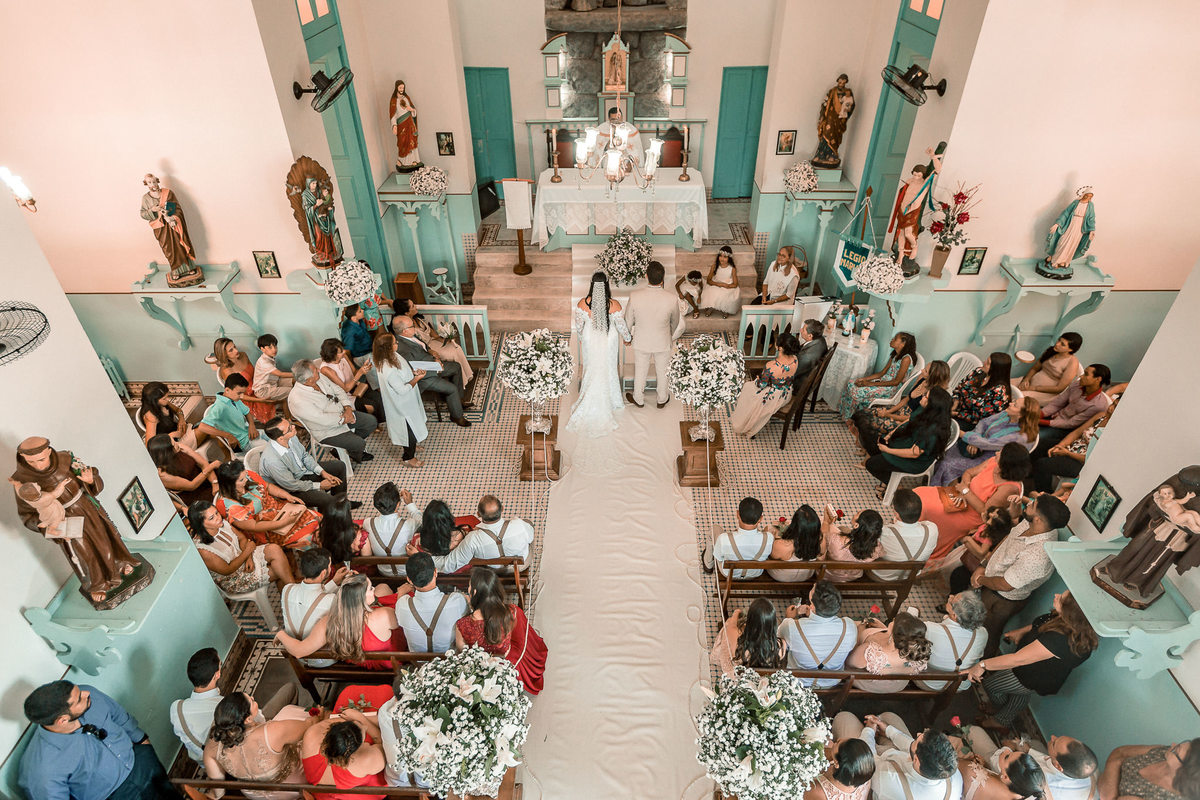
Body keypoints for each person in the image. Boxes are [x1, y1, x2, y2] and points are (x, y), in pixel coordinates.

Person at [12, 437, 142, 605]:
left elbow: (91, 474)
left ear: (49, 452)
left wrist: (90, 480)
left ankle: (119, 564)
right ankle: (97, 584)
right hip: (63, 520)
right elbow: (26, 515)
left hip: (86, 507)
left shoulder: (67, 459)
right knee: (83, 553)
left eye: (41, 459)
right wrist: (47, 526)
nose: (37, 465)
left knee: (105, 539)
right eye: (31, 461)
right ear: (23, 457)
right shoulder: (22, 482)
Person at [952, 495, 1071, 658]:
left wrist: (980, 579)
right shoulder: (1031, 523)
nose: (1028, 503)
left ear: (1038, 519)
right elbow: (1008, 539)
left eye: (1033, 504)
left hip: (1002, 598)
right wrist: (984, 565)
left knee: (987, 633)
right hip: (990, 581)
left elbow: (1005, 585)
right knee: (970, 621)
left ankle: (977, 665)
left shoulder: (1037, 555)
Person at [20, 681, 180, 800]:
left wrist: (143, 743)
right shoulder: (42, 770)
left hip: (140, 759)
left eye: (80, 691)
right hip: (116, 796)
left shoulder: (89, 693)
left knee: (171, 795)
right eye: (79, 699)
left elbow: (120, 716)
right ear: (62, 720)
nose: (86, 694)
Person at [966, 590, 1098, 732]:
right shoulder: (1065, 620)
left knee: (991, 686)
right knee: (1021, 694)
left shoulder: (1060, 641)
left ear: (1071, 612)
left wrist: (982, 665)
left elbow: (1017, 660)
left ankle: (997, 708)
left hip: (1033, 675)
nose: (1055, 595)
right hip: (1031, 671)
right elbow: (1039, 624)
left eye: (1060, 599)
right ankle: (1003, 720)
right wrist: (1021, 632)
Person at [918, 442, 1033, 560]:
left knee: (930, 508)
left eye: (1000, 453)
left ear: (1007, 464)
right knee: (921, 493)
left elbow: (986, 511)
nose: (996, 453)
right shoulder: (993, 461)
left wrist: (966, 492)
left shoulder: (1009, 488)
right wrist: (964, 488)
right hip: (959, 496)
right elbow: (969, 473)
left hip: (971, 515)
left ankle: (918, 547)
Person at [204, 691, 314, 799]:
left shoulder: (212, 745)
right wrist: (319, 716)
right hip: (291, 787)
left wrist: (217, 795)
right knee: (307, 732)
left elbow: (218, 787)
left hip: (254, 795)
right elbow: (309, 725)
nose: (253, 697)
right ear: (247, 719)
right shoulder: (272, 732)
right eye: (252, 700)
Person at [275, 574, 402, 667]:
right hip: (388, 664)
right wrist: (400, 596)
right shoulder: (383, 615)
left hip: (359, 663)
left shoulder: (328, 622)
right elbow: (406, 624)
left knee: (383, 590)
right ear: (360, 598)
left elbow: (299, 651)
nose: (373, 589)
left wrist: (280, 634)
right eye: (370, 588)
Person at [455, 567, 548, 694]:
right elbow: (521, 636)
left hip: (480, 671)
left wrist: (470, 607)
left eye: (470, 586)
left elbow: (463, 651)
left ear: (475, 592)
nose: (468, 588)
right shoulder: (512, 612)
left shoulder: (462, 624)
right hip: (507, 662)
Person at [831, 711, 961, 800]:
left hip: (874, 768)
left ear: (916, 760)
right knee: (888, 716)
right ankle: (880, 727)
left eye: (917, 739)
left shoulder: (888, 778)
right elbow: (911, 746)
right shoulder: (951, 772)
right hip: (894, 757)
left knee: (844, 717)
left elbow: (868, 757)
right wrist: (888, 729)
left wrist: (870, 730)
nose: (916, 734)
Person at [566, 271, 631, 437]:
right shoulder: (614, 304)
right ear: (607, 286)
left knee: (591, 366)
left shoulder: (582, 303)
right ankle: (612, 399)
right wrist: (628, 338)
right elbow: (621, 325)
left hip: (590, 338)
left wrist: (581, 338)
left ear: (592, 285)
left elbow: (579, 325)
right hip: (608, 339)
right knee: (608, 367)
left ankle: (589, 392)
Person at [188, 500, 295, 593]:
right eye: (211, 518)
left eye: (216, 512)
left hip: (245, 556)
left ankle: (293, 595)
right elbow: (227, 570)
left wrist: (249, 558)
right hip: (235, 578)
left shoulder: (221, 524)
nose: (218, 518)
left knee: (274, 549)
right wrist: (247, 552)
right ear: (200, 524)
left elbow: (242, 539)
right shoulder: (204, 550)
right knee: (280, 569)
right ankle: (294, 596)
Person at [864, 387, 953, 497]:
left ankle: (897, 489)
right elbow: (909, 420)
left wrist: (888, 450)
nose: (922, 396)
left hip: (914, 461)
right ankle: (888, 475)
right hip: (906, 441)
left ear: (932, 405)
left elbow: (914, 453)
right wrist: (890, 434)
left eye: (926, 396)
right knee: (871, 442)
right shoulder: (924, 409)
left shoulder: (933, 431)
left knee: (871, 464)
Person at [933, 397, 1041, 486]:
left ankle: (946, 492)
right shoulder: (1006, 414)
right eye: (1014, 401)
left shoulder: (1020, 437)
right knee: (943, 451)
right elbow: (983, 423)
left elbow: (989, 444)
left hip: (992, 459)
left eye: (1015, 405)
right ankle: (948, 485)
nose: (1010, 403)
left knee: (947, 464)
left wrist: (961, 434)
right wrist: (976, 439)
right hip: (976, 444)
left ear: (1021, 415)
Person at [851, 360, 950, 456]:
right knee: (860, 414)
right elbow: (906, 399)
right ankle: (865, 446)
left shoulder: (931, 397)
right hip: (900, 410)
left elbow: (913, 419)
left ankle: (872, 452)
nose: (922, 370)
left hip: (907, 422)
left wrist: (888, 415)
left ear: (933, 377)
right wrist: (889, 410)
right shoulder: (923, 381)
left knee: (868, 423)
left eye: (926, 370)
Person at [214, 461, 320, 549]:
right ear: (229, 484)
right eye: (241, 480)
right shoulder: (229, 505)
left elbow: (267, 486)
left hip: (281, 509)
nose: (246, 479)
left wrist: (286, 495)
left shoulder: (247, 476)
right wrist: (283, 522)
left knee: (319, 520)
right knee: (309, 538)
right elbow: (254, 526)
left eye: (245, 475)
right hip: (268, 529)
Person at [288, 359, 377, 464]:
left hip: (344, 413)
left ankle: (346, 447)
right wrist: (345, 419)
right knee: (359, 443)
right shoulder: (298, 400)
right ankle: (355, 454)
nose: (318, 370)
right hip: (326, 430)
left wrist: (348, 408)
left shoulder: (319, 377)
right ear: (309, 380)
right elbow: (322, 419)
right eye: (316, 370)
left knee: (371, 422)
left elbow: (338, 390)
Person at [258, 416, 351, 515]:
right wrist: (319, 485)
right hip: (289, 489)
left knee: (339, 466)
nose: (294, 427)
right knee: (326, 499)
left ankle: (340, 505)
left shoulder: (291, 437)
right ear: (281, 438)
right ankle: (328, 519)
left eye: (290, 424)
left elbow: (304, 456)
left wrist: (323, 472)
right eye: (290, 428)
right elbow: (291, 485)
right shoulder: (273, 461)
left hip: (300, 473)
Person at [967, 731, 1099, 800]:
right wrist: (1028, 750)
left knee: (974, 732)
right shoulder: (1089, 769)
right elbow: (1045, 759)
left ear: (1058, 766)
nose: (1052, 736)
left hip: (1004, 782)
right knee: (1036, 744)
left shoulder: (1037, 779)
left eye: (1054, 743)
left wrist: (1007, 749)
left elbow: (1001, 769)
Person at [393, 317, 471, 427]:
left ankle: (458, 401)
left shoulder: (409, 335)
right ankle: (457, 416)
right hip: (424, 376)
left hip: (432, 363)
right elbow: (413, 369)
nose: (414, 328)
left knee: (456, 367)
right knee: (451, 389)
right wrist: (436, 369)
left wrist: (433, 355)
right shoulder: (402, 348)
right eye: (412, 326)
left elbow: (423, 345)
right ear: (405, 330)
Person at [777, 581, 858, 686]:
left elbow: (779, 638)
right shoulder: (849, 626)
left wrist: (789, 618)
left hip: (799, 681)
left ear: (813, 607)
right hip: (833, 681)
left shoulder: (791, 626)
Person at [624, 260, 681, 409]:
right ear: (663, 278)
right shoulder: (671, 298)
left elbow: (628, 320)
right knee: (662, 371)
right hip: (662, 341)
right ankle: (662, 399)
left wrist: (627, 337)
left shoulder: (635, 296)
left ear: (646, 276)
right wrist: (669, 334)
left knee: (640, 369)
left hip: (641, 340)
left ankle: (638, 398)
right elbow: (675, 321)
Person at [1032, 396, 1119, 492]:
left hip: (1080, 462)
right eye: (1112, 404)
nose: (1110, 408)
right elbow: (1077, 432)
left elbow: (1092, 459)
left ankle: (1043, 495)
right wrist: (1060, 445)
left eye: (1115, 407)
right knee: (1041, 444)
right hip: (1071, 447)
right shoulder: (1101, 416)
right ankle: (1027, 474)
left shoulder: (1113, 433)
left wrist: (1067, 453)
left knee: (1043, 465)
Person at [282, 548, 349, 669]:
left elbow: (313, 597)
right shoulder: (331, 600)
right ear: (324, 573)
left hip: (300, 657)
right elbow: (318, 599)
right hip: (325, 658)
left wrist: (334, 582)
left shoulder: (287, 590)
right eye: (329, 565)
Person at [372, 332, 429, 467]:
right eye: (394, 343)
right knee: (408, 429)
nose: (397, 343)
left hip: (409, 399)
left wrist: (414, 373)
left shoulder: (393, 356)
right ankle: (408, 457)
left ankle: (413, 446)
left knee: (414, 423)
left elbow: (403, 372)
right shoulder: (388, 368)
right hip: (401, 404)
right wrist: (417, 379)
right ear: (388, 348)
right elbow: (402, 390)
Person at [728, 332, 801, 437]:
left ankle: (743, 423)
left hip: (773, 398)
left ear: (779, 348)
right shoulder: (795, 359)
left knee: (747, 388)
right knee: (749, 388)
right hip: (786, 393)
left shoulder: (771, 366)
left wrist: (758, 379)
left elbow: (761, 385)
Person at [394, 552, 469, 653]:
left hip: (417, 665)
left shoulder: (402, 604)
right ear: (435, 572)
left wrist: (401, 593)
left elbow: (398, 613)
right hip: (448, 664)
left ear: (409, 580)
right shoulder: (457, 601)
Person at [442, 494, 535, 573]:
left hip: (493, 570)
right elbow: (531, 538)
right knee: (528, 523)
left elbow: (451, 564)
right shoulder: (519, 525)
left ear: (478, 514)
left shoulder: (472, 539)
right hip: (519, 566)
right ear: (502, 509)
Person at [301, 715, 387, 800]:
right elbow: (385, 745)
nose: (365, 727)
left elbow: (335, 720)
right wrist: (362, 719)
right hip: (358, 794)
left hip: (322, 794)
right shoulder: (367, 760)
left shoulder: (312, 734)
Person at [1033, 365, 1112, 457]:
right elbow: (1057, 403)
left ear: (1098, 379)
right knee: (1023, 423)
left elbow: (1070, 423)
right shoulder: (1077, 384)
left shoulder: (1098, 405)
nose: (1081, 376)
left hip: (1065, 429)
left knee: (1035, 436)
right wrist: (1040, 414)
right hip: (1055, 417)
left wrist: (1042, 422)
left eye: (1086, 374)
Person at [916, 591, 988, 690]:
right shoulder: (983, 633)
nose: (950, 596)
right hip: (959, 686)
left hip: (928, 682)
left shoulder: (930, 628)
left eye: (952, 601)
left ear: (954, 615)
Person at [394, 298, 474, 386]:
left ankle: (467, 375)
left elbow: (434, 335)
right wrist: (431, 352)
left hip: (434, 342)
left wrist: (445, 340)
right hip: (429, 348)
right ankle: (462, 381)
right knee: (453, 353)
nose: (416, 306)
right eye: (413, 306)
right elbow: (419, 347)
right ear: (406, 312)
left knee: (456, 347)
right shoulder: (407, 329)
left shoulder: (417, 319)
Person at [845, 610, 932, 692]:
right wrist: (884, 628)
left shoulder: (871, 651)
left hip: (869, 685)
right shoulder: (918, 651)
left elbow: (849, 662)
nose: (892, 620)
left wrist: (860, 630)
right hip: (898, 686)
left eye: (894, 621)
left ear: (894, 631)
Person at [838, 332, 918, 419]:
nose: (892, 339)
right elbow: (882, 373)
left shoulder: (906, 359)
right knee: (851, 383)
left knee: (857, 391)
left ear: (903, 344)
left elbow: (896, 382)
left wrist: (869, 384)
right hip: (882, 381)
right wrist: (863, 379)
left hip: (891, 388)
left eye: (895, 339)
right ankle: (845, 412)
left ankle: (850, 417)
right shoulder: (895, 354)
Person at [140, 172, 201, 285]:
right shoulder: (145, 198)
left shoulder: (167, 193)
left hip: (174, 225)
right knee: (169, 250)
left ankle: (189, 267)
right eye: (149, 182)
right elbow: (143, 214)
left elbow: (176, 208)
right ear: (146, 184)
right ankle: (175, 270)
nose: (152, 184)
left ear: (157, 181)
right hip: (160, 228)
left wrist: (171, 217)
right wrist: (152, 210)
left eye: (154, 181)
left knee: (180, 244)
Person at [888, 147, 943, 266]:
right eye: (915, 174)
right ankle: (901, 254)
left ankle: (914, 247)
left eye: (919, 175)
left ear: (923, 175)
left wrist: (933, 157)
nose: (916, 176)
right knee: (901, 233)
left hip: (912, 210)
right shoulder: (910, 181)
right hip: (902, 209)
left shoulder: (925, 183)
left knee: (908, 233)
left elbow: (938, 170)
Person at [868, 488, 938, 581]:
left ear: (896, 513)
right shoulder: (932, 530)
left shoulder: (884, 532)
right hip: (909, 577)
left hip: (883, 575)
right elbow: (923, 524)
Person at [709, 597, 788, 677]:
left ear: (750, 619)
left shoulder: (735, 634)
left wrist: (737, 612)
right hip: (762, 678)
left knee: (728, 624)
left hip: (740, 677)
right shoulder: (782, 644)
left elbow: (731, 624)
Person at [1100, 739, 1200, 800]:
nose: (1172, 744)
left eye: (1176, 750)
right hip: (1093, 779)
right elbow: (1119, 753)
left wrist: (1113, 769)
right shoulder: (1163, 752)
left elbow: (1117, 759)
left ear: (1183, 773)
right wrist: (1111, 797)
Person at [147, 433, 218, 512]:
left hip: (204, 475)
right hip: (195, 493)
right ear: (167, 453)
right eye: (173, 444)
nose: (177, 444)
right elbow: (192, 485)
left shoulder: (178, 447)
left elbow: (203, 464)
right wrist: (211, 466)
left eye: (174, 441)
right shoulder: (163, 475)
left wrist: (214, 482)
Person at [317, 337, 383, 420]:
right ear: (333, 355)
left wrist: (363, 368)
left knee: (378, 397)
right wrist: (360, 373)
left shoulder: (344, 357)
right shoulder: (326, 369)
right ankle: (373, 424)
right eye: (341, 352)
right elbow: (345, 389)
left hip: (356, 387)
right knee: (372, 405)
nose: (344, 351)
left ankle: (381, 423)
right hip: (345, 395)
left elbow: (354, 372)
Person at [362, 483, 419, 578]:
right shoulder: (410, 524)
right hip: (408, 573)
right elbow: (422, 522)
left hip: (383, 572)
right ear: (398, 505)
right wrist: (410, 503)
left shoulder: (368, 523)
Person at [707, 497, 773, 579]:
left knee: (715, 528)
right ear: (760, 519)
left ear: (737, 514)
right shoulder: (769, 538)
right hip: (755, 574)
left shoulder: (724, 538)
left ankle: (708, 565)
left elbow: (719, 557)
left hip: (729, 574)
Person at [213, 338, 276, 424]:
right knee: (268, 405)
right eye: (231, 350)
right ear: (224, 355)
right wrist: (261, 400)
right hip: (247, 397)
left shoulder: (243, 355)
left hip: (257, 385)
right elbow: (238, 395)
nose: (236, 350)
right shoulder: (227, 371)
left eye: (234, 346)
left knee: (279, 387)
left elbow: (255, 373)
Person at [198, 373, 260, 453]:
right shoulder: (220, 407)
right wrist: (228, 435)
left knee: (275, 437)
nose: (241, 396)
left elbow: (247, 412)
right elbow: (202, 427)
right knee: (272, 447)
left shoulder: (234, 399)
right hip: (243, 443)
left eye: (243, 393)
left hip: (247, 433)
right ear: (227, 390)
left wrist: (252, 425)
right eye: (239, 393)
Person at [956, 747, 1047, 800]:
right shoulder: (1020, 792)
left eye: (1007, 757)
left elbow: (952, 765)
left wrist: (970, 763)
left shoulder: (973, 773)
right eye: (1013, 751)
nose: (1006, 750)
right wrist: (986, 767)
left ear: (1006, 777)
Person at [952, 353, 1013, 430]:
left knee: (942, 424)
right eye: (986, 360)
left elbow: (978, 418)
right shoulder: (979, 372)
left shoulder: (999, 394)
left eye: (987, 363)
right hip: (956, 406)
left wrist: (955, 414)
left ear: (996, 370)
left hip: (969, 421)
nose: (983, 362)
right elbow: (960, 387)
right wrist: (955, 403)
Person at [1018, 333, 1083, 404]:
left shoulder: (1072, 363)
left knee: (1018, 397)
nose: (1057, 344)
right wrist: (1026, 380)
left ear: (1070, 349)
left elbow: (1059, 388)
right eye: (1059, 340)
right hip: (1030, 383)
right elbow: (1035, 368)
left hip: (1047, 393)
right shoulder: (1051, 351)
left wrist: (1034, 388)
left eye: (1062, 344)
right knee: (1006, 384)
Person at [823, 507, 884, 581]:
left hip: (828, 575)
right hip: (851, 577)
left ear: (856, 525)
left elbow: (823, 538)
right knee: (842, 528)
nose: (856, 512)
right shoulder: (877, 547)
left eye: (857, 513)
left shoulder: (836, 541)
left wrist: (826, 522)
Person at [803, 737, 874, 800]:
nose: (840, 739)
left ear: (837, 763)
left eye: (837, 743)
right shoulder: (865, 773)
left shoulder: (817, 792)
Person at [1043, 189, 1096, 272]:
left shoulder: (1090, 206)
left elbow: (1091, 218)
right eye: (1087, 195)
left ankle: (1064, 262)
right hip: (1070, 224)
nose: (1088, 197)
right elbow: (1066, 213)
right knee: (1063, 242)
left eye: (1090, 196)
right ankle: (1055, 261)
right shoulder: (1076, 203)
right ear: (1084, 194)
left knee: (1072, 244)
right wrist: (1058, 224)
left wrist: (1092, 230)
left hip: (1080, 228)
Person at [767, 504, 823, 582]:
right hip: (806, 576)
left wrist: (774, 537)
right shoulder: (820, 540)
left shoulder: (782, 546)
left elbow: (770, 557)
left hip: (781, 577)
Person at [812, 73, 856, 169]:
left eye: (843, 82)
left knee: (835, 138)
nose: (841, 84)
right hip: (829, 118)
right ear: (838, 81)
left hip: (839, 120)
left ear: (845, 83)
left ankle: (832, 155)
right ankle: (821, 155)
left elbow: (851, 106)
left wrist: (846, 110)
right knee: (826, 134)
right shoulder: (832, 92)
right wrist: (822, 116)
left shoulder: (848, 93)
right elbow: (825, 103)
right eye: (840, 82)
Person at [138, 380, 197, 446]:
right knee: (204, 429)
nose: (168, 399)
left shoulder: (162, 403)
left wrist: (181, 420)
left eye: (167, 396)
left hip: (178, 432)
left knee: (204, 427)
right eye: (164, 398)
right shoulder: (151, 416)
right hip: (172, 443)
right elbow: (150, 444)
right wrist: (171, 435)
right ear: (154, 401)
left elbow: (178, 410)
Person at [301, 177, 343, 267]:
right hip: (315, 220)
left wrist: (328, 207)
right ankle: (322, 253)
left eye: (316, 183)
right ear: (308, 184)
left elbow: (326, 200)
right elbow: (307, 211)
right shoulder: (305, 195)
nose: (315, 185)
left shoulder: (319, 191)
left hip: (324, 217)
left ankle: (330, 252)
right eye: (313, 184)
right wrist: (316, 205)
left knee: (328, 234)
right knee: (319, 236)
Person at [322, 498, 371, 564]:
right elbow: (368, 563)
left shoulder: (322, 532)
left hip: (332, 567)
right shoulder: (360, 538)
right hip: (355, 570)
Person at [254, 333, 295, 407]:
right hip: (263, 390)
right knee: (293, 390)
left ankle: (290, 415)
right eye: (270, 347)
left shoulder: (269, 357)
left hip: (273, 383)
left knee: (294, 380)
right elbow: (280, 374)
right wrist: (298, 374)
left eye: (275, 346)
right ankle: (292, 415)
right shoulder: (263, 362)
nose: (274, 349)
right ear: (262, 349)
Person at [701, 245, 741, 318]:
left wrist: (726, 285)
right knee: (711, 291)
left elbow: (735, 284)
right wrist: (717, 284)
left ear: (729, 258)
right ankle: (711, 306)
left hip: (727, 284)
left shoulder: (732, 268)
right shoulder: (714, 266)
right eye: (720, 256)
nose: (722, 259)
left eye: (725, 257)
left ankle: (725, 309)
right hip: (716, 283)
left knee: (725, 294)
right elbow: (709, 280)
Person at [390, 79, 422, 171]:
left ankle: (414, 160)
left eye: (403, 87)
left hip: (410, 123)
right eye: (400, 87)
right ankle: (403, 162)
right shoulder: (393, 100)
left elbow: (413, 110)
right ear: (396, 88)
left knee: (412, 141)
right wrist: (394, 125)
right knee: (403, 142)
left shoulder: (406, 98)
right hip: (401, 124)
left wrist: (411, 110)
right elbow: (393, 114)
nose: (401, 89)